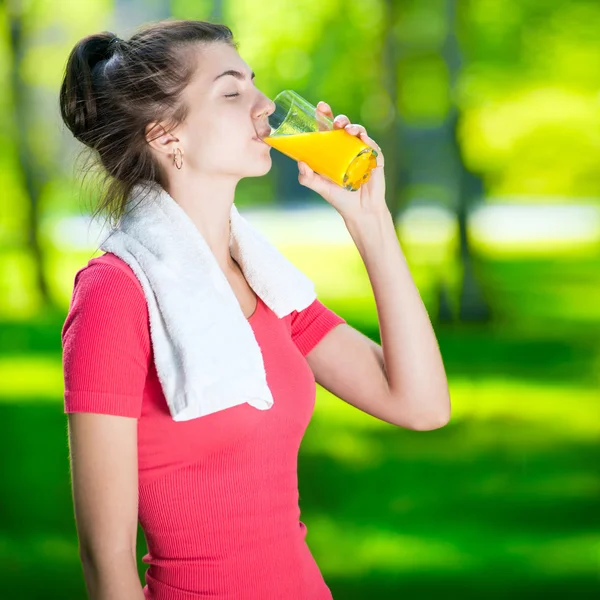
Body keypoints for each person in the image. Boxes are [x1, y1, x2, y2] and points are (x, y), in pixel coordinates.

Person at [59, 17, 451, 600]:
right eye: (232, 90)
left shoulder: (268, 284)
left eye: (254, 83)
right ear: (167, 135)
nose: (264, 104)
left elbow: (420, 405)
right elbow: (104, 560)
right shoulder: (115, 292)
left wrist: (370, 221)